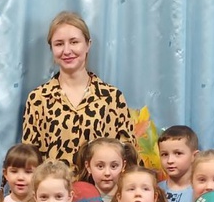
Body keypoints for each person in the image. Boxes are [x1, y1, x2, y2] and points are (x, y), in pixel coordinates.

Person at [21, 11, 136, 166]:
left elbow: (129, 157)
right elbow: (29, 160)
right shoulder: (38, 99)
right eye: (59, 44)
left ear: (88, 44)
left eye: (74, 42)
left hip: (101, 183)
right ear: (51, 48)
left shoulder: (112, 98)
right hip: (54, 182)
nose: (67, 50)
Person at [158, 125, 200, 202]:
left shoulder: (200, 191)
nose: (170, 160)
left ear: (194, 156)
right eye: (164, 154)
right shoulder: (155, 190)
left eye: (178, 153)